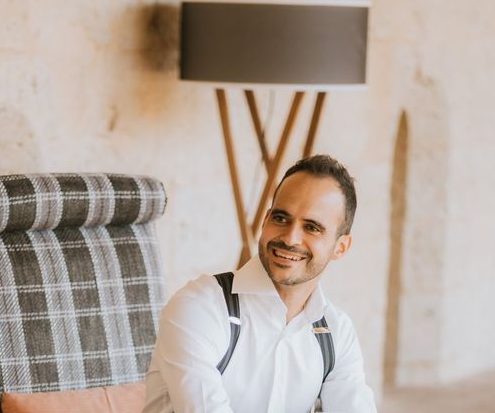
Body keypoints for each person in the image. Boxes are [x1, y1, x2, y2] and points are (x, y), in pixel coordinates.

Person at [143, 155, 377, 412]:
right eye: (281, 218)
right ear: (266, 220)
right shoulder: (200, 306)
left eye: (311, 227)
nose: (290, 238)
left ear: (340, 247)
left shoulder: (336, 332)